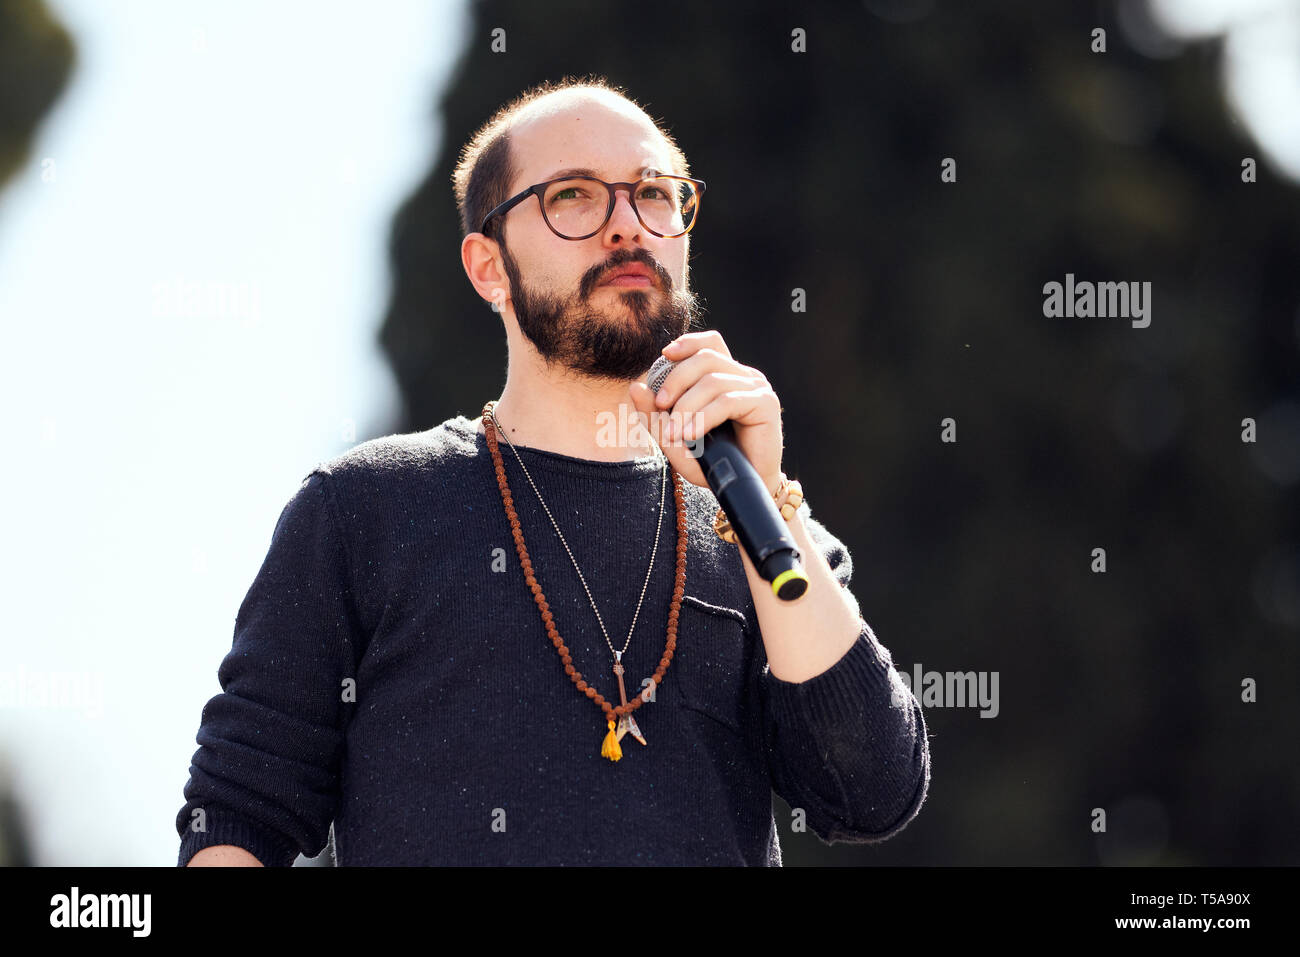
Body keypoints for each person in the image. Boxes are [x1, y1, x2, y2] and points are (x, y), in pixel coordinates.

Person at [176, 76, 930, 866]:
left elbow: (872, 790)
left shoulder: (765, 530)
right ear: (487, 266)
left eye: (654, 194)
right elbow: (240, 813)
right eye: (573, 195)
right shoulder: (365, 510)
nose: (626, 227)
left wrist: (766, 500)